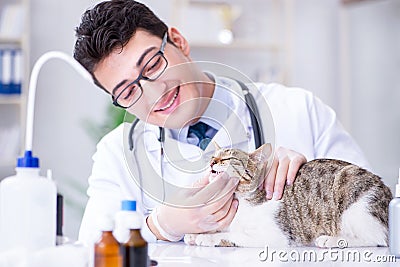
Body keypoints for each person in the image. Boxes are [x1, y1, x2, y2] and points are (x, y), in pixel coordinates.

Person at [74, 0, 370, 245]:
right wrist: (159, 227)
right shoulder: (116, 153)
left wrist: (315, 174)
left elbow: (381, 220)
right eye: (127, 91)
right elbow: (91, 250)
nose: (154, 93)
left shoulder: (297, 109)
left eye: (152, 64)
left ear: (178, 42)